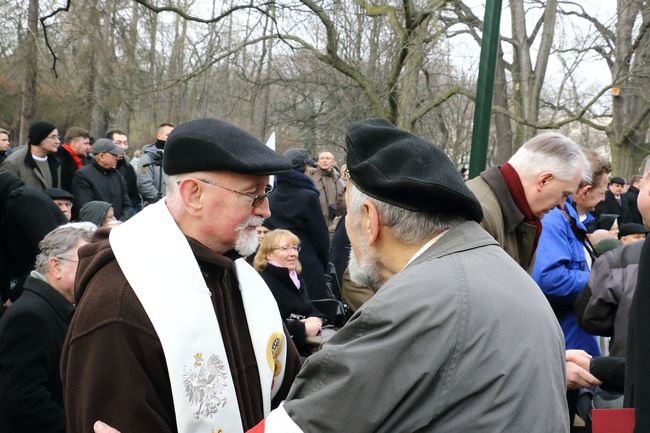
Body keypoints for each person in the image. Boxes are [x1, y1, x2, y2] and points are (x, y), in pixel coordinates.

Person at [251, 119, 569, 432]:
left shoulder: (413, 304)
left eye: (348, 212)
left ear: (369, 219)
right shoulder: (509, 276)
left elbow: (297, 427)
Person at [61, 118, 301, 433]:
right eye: (253, 195)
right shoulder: (120, 301)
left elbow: (291, 393)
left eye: (265, 192)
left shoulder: (238, 274)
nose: (265, 210)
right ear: (193, 195)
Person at [531, 150, 610, 424]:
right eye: (602, 192)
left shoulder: (571, 222)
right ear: (585, 190)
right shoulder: (555, 220)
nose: (603, 199)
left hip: (572, 342)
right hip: (564, 343)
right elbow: (547, 278)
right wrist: (602, 282)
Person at [0, 224, 93, 433]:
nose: (92, 270)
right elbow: (23, 398)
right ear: (56, 266)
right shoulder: (29, 316)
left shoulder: (51, 306)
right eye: (85, 263)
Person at [466, 131, 591, 270]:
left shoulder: (515, 212)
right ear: (544, 180)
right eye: (564, 194)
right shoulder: (476, 213)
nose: (562, 205)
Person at [267, 148, 331, 300]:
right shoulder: (308, 196)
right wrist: (324, 264)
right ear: (302, 169)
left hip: (278, 263)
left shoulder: (272, 197)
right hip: (307, 262)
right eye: (309, 170)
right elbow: (320, 236)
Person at [0, 173, 67, 307]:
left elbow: (50, 251)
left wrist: (15, 295)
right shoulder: (23, 198)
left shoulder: (23, 201)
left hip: (52, 282)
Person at [253, 229, 323, 357]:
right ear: (269, 254)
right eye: (285, 248)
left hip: (304, 348)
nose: (293, 254)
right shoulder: (262, 281)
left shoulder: (295, 277)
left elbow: (307, 308)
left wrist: (315, 318)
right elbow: (265, 326)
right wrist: (302, 329)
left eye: (295, 248)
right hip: (283, 355)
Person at [71, 138, 133, 220]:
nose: (117, 158)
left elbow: (127, 204)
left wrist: (120, 222)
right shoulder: (83, 175)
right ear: (101, 156)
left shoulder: (117, 175)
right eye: (114, 155)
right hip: (97, 228)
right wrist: (108, 223)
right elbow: (87, 208)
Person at [1, 121, 61, 191]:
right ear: (40, 138)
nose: (58, 141)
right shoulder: (13, 162)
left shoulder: (55, 162)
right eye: (53, 137)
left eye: (58, 137)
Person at [138, 123, 174, 206]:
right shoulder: (147, 158)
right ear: (159, 136)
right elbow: (144, 184)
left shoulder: (176, 157)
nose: (172, 138)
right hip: (155, 207)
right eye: (168, 135)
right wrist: (162, 201)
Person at [308, 150, 346, 231]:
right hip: (314, 225)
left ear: (334, 162)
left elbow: (342, 203)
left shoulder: (337, 181)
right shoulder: (310, 178)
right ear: (317, 162)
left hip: (333, 227)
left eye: (328, 158)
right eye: (322, 158)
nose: (324, 160)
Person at [107, 129, 140, 212]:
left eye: (125, 143)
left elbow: (134, 195)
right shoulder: (101, 167)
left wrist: (129, 212)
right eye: (118, 143)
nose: (123, 147)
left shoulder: (128, 168)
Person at [57, 127, 91, 192]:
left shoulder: (81, 158)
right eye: (86, 143)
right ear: (74, 144)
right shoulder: (59, 159)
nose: (88, 147)